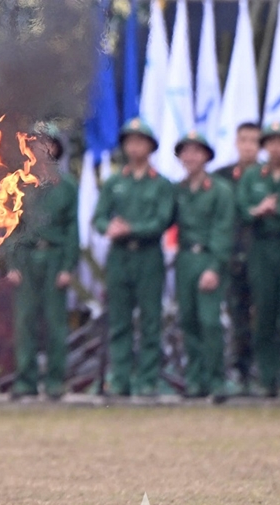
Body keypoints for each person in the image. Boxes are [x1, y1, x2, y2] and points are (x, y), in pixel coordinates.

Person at [92, 118, 174, 397]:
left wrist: (131, 229)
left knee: (151, 320)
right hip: (119, 258)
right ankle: (120, 379)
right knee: (119, 320)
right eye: (130, 141)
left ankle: (148, 380)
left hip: (148, 256)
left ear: (150, 147)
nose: (135, 146)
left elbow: (163, 220)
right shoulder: (114, 182)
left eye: (141, 141)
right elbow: (99, 218)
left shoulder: (161, 184)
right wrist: (109, 227)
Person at [4, 123, 78, 399]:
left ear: (57, 148)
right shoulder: (19, 185)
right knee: (25, 323)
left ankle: (56, 382)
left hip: (54, 257)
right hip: (25, 258)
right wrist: (10, 264)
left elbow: (73, 230)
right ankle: (25, 381)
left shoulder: (67, 186)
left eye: (48, 143)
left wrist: (68, 267)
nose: (41, 149)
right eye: (35, 143)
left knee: (56, 322)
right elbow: (11, 226)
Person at [172, 132, 235, 400]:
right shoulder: (178, 190)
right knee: (188, 320)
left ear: (206, 156)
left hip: (209, 257)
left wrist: (215, 266)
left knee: (210, 322)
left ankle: (217, 380)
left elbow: (224, 229)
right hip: (184, 258)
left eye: (196, 151)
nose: (190, 157)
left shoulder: (219, 190)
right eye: (185, 152)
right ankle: (195, 380)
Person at [236, 122, 280, 397]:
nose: (276, 147)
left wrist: (279, 210)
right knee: (264, 313)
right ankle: (267, 378)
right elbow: (242, 209)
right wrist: (258, 210)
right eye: (271, 142)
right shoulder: (252, 177)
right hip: (260, 247)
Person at [214, 122, 260, 392]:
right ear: (235, 142)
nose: (248, 146)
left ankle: (270, 372)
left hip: (264, 255)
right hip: (231, 256)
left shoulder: (275, 175)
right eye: (243, 140)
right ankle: (239, 370)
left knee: (270, 316)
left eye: (254, 141)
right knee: (237, 316)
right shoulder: (221, 177)